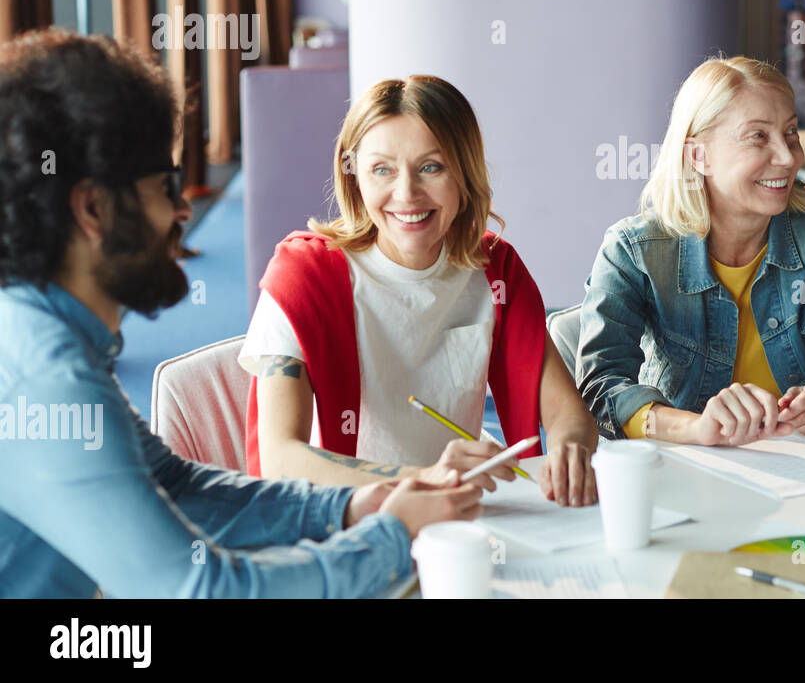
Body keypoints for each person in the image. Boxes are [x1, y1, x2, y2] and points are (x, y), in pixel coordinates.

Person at [0, 29, 478, 597]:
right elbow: (203, 591)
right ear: (92, 208)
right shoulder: (46, 379)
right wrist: (393, 537)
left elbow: (176, 485)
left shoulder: (41, 334)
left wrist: (352, 506)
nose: (182, 207)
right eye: (164, 183)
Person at [242, 75, 599, 506]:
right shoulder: (303, 277)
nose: (406, 193)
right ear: (354, 177)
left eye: (431, 167)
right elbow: (281, 459)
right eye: (382, 170)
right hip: (345, 520)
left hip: (461, 513)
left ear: (465, 174)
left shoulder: (496, 271)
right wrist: (425, 476)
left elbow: (567, 415)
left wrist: (571, 446)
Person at [577, 55, 805, 445]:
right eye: (758, 137)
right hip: (682, 467)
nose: (788, 158)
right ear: (698, 155)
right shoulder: (633, 251)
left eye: (791, 132)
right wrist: (695, 428)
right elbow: (599, 391)